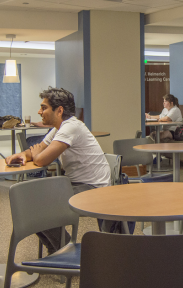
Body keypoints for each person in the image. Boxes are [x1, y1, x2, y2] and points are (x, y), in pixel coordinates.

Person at [6, 87, 111, 254]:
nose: (39, 112)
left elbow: (41, 159)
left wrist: (35, 154)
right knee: (29, 201)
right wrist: (22, 154)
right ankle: (57, 249)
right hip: (76, 184)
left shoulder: (71, 127)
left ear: (59, 110)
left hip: (93, 189)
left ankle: (63, 250)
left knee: (34, 205)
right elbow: (37, 150)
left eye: (44, 107)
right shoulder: (58, 128)